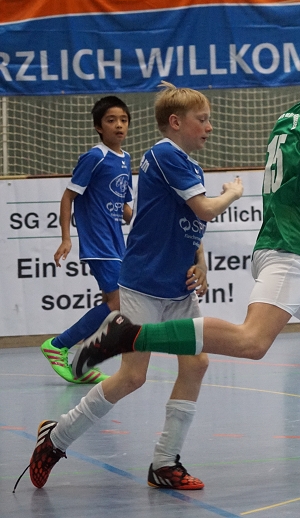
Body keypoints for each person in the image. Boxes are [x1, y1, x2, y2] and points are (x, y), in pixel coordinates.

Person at [73, 56, 300, 473]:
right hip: (288, 254)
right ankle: (130, 335)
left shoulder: (290, 120)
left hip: (289, 254)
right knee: (252, 342)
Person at [21, 82, 244, 492]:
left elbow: (191, 223)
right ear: (175, 122)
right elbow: (205, 208)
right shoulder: (164, 154)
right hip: (144, 284)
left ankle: (165, 462)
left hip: (178, 289)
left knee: (196, 364)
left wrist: (201, 262)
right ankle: (55, 438)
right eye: (202, 119)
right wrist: (232, 193)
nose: (210, 127)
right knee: (132, 377)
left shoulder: (190, 166)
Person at [40, 96, 133, 384]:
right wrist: (66, 238)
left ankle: (80, 364)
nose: (118, 125)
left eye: (123, 120)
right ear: (98, 127)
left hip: (117, 243)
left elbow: (125, 208)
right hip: (99, 242)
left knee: (115, 303)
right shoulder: (95, 157)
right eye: (111, 120)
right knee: (118, 303)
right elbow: (68, 196)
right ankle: (58, 345)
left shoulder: (126, 159)